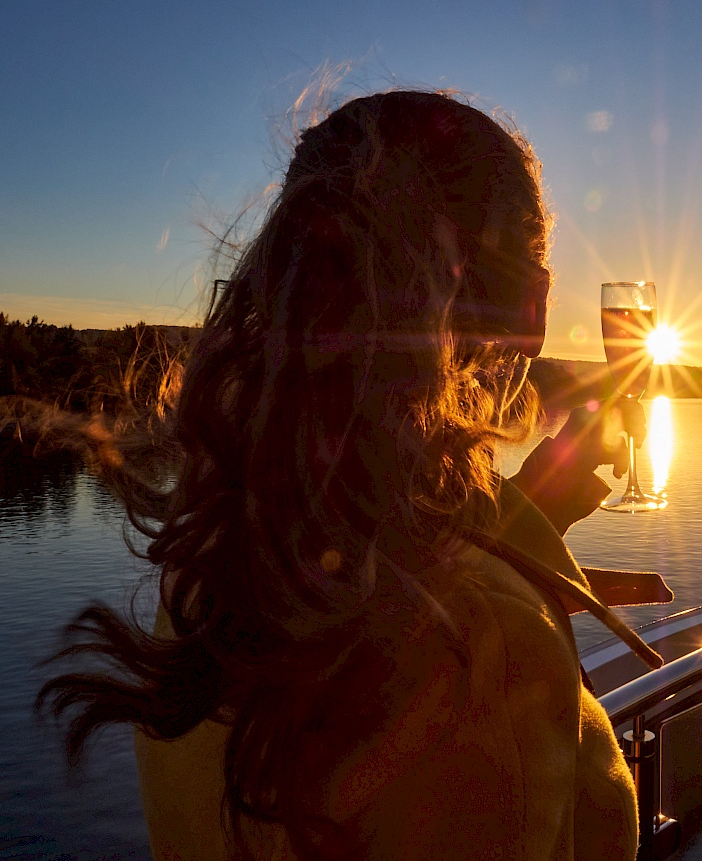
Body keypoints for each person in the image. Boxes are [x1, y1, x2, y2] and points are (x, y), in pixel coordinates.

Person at [38, 89, 669, 860]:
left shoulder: (214, 555)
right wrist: (517, 598)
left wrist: (530, 524)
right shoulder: (487, 646)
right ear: (534, 309)